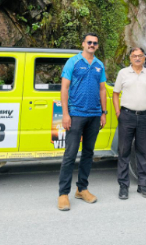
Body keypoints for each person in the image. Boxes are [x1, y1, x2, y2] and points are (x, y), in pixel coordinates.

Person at [57, 33, 107, 211]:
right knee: (70, 154)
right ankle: (63, 194)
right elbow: (64, 88)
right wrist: (65, 114)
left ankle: (82, 189)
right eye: (89, 42)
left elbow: (102, 90)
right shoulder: (73, 62)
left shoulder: (99, 65)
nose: (92, 45)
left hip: (94, 115)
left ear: (97, 46)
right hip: (76, 114)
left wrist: (103, 112)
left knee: (88, 153)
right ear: (83, 44)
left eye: (95, 43)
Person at [112, 47, 146, 200]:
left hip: (145, 117)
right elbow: (115, 94)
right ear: (130, 58)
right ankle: (124, 186)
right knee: (123, 151)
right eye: (134, 56)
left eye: (140, 56)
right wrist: (119, 113)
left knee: (143, 152)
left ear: (144, 58)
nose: (137, 58)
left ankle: (143, 185)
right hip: (127, 116)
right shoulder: (123, 73)